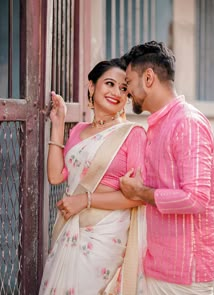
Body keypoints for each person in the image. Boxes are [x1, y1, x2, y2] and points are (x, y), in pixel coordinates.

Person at [119, 41, 214, 295]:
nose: (126, 90)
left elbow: (196, 198)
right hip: (159, 267)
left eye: (129, 81)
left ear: (149, 78)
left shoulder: (186, 123)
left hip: (184, 275)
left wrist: (140, 192)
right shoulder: (158, 126)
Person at [39, 58, 147, 295]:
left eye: (123, 89)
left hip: (106, 238)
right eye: (109, 83)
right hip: (70, 231)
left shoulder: (133, 134)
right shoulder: (79, 130)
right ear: (91, 86)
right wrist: (58, 125)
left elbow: (139, 197)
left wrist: (85, 200)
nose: (116, 92)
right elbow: (56, 176)